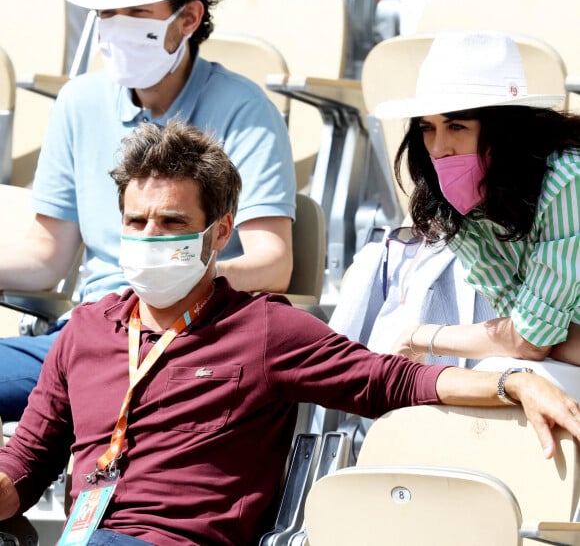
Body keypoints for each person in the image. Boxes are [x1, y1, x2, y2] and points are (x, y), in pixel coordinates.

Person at [1, 119, 580, 546]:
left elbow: (391, 380)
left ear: (220, 232)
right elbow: (25, 466)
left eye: (172, 222)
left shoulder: (262, 330)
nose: (151, 236)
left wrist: (513, 384)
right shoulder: (87, 328)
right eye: (137, 221)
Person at [0, 0, 296, 421]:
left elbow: (273, 262)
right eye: (107, 13)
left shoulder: (246, 110)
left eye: (137, 12)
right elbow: (48, 255)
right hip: (88, 334)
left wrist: (174, 284)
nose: (118, 26)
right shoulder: (78, 102)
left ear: (188, 18)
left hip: (196, 340)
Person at [375, 31, 580, 391]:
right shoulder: (456, 204)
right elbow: (521, 331)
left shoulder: (567, 180)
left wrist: (419, 335)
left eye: (457, 126)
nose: (439, 147)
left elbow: (528, 341)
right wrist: (539, 336)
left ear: (503, 131)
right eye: (427, 128)